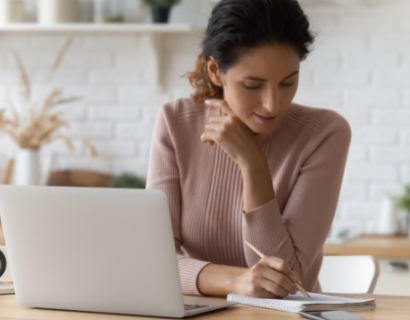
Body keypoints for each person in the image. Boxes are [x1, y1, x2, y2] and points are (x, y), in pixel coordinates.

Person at [146, 0, 351, 299]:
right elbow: (153, 262)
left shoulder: (324, 134)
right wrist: (235, 282)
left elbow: (286, 283)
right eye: (253, 85)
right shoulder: (175, 124)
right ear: (215, 70)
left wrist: (252, 163)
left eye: (287, 82)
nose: (272, 104)